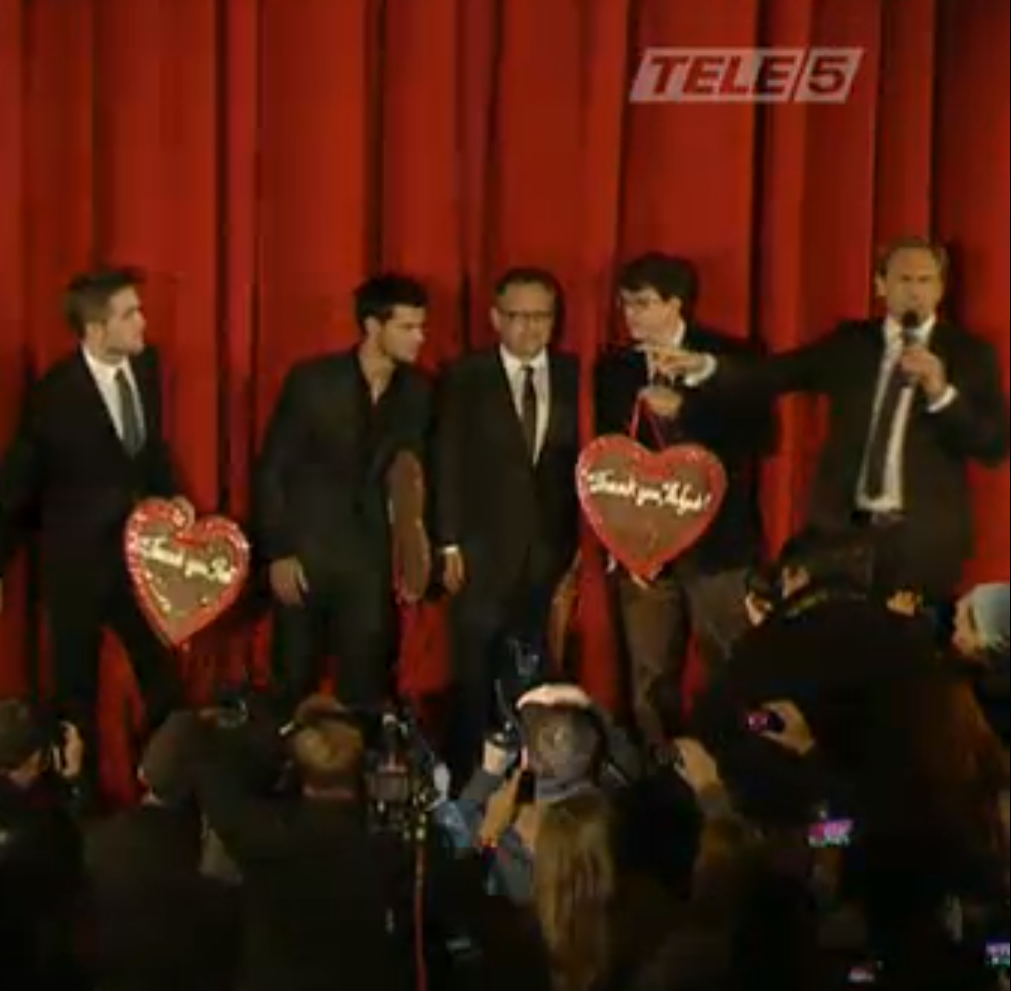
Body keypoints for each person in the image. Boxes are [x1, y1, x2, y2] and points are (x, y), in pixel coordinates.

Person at [652, 236, 1008, 607]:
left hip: (922, 544)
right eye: (904, 279)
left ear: (940, 288)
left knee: (912, 643)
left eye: (925, 280)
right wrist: (706, 366)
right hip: (841, 538)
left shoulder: (969, 355)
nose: (915, 291)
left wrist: (940, 392)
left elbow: (993, 446)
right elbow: (776, 374)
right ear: (880, 285)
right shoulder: (850, 344)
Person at [0, 267, 192, 780]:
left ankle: (171, 788)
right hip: (78, 568)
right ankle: (79, 801)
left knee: (164, 683)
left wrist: (172, 494)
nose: (143, 322)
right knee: (76, 697)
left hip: (141, 560)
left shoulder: (146, 368)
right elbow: (15, 482)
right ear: (95, 329)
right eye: (129, 314)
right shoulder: (54, 395)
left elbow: (148, 450)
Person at [595, 252, 771, 749]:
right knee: (649, 680)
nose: (631, 315)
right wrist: (622, 542)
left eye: (644, 304)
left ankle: (739, 768)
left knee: (733, 667)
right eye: (626, 304)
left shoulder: (730, 357)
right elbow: (610, 460)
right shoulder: (615, 369)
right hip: (647, 552)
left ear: (676, 304)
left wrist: (685, 411)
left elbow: (759, 436)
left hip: (717, 549)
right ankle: (664, 770)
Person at [254, 273, 433, 718]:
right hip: (306, 560)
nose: (420, 338)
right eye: (407, 327)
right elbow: (273, 469)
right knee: (292, 686)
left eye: (421, 326)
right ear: (373, 327)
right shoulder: (313, 382)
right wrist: (278, 552)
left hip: (371, 567)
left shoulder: (420, 392)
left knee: (366, 692)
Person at [432, 267, 583, 782]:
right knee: (474, 675)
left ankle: (538, 780)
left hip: (550, 554)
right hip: (480, 554)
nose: (530, 328)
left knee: (538, 674)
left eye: (542, 316)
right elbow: (447, 460)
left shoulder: (574, 375)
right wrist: (448, 542)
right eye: (518, 316)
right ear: (495, 318)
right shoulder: (465, 377)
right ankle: (467, 783)